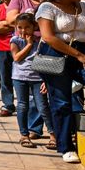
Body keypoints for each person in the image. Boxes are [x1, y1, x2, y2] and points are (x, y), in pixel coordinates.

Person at [36, 0, 85, 163]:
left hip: (83, 55)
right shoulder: (47, 7)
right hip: (56, 55)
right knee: (62, 102)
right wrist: (79, 55)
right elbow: (48, 38)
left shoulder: (84, 7)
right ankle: (66, 147)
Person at [10, 13, 53, 149]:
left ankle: (53, 135)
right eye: (20, 27)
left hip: (38, 78)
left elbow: (46, 61)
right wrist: (28, 45)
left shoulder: (42, 40)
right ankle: (24, 135)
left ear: (34, 26)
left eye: (27, 27)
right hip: (20, 77)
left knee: (43, 107)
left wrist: (46, 80)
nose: (23, 31)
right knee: (22, 106)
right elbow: (16, 58)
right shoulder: (15, 40)